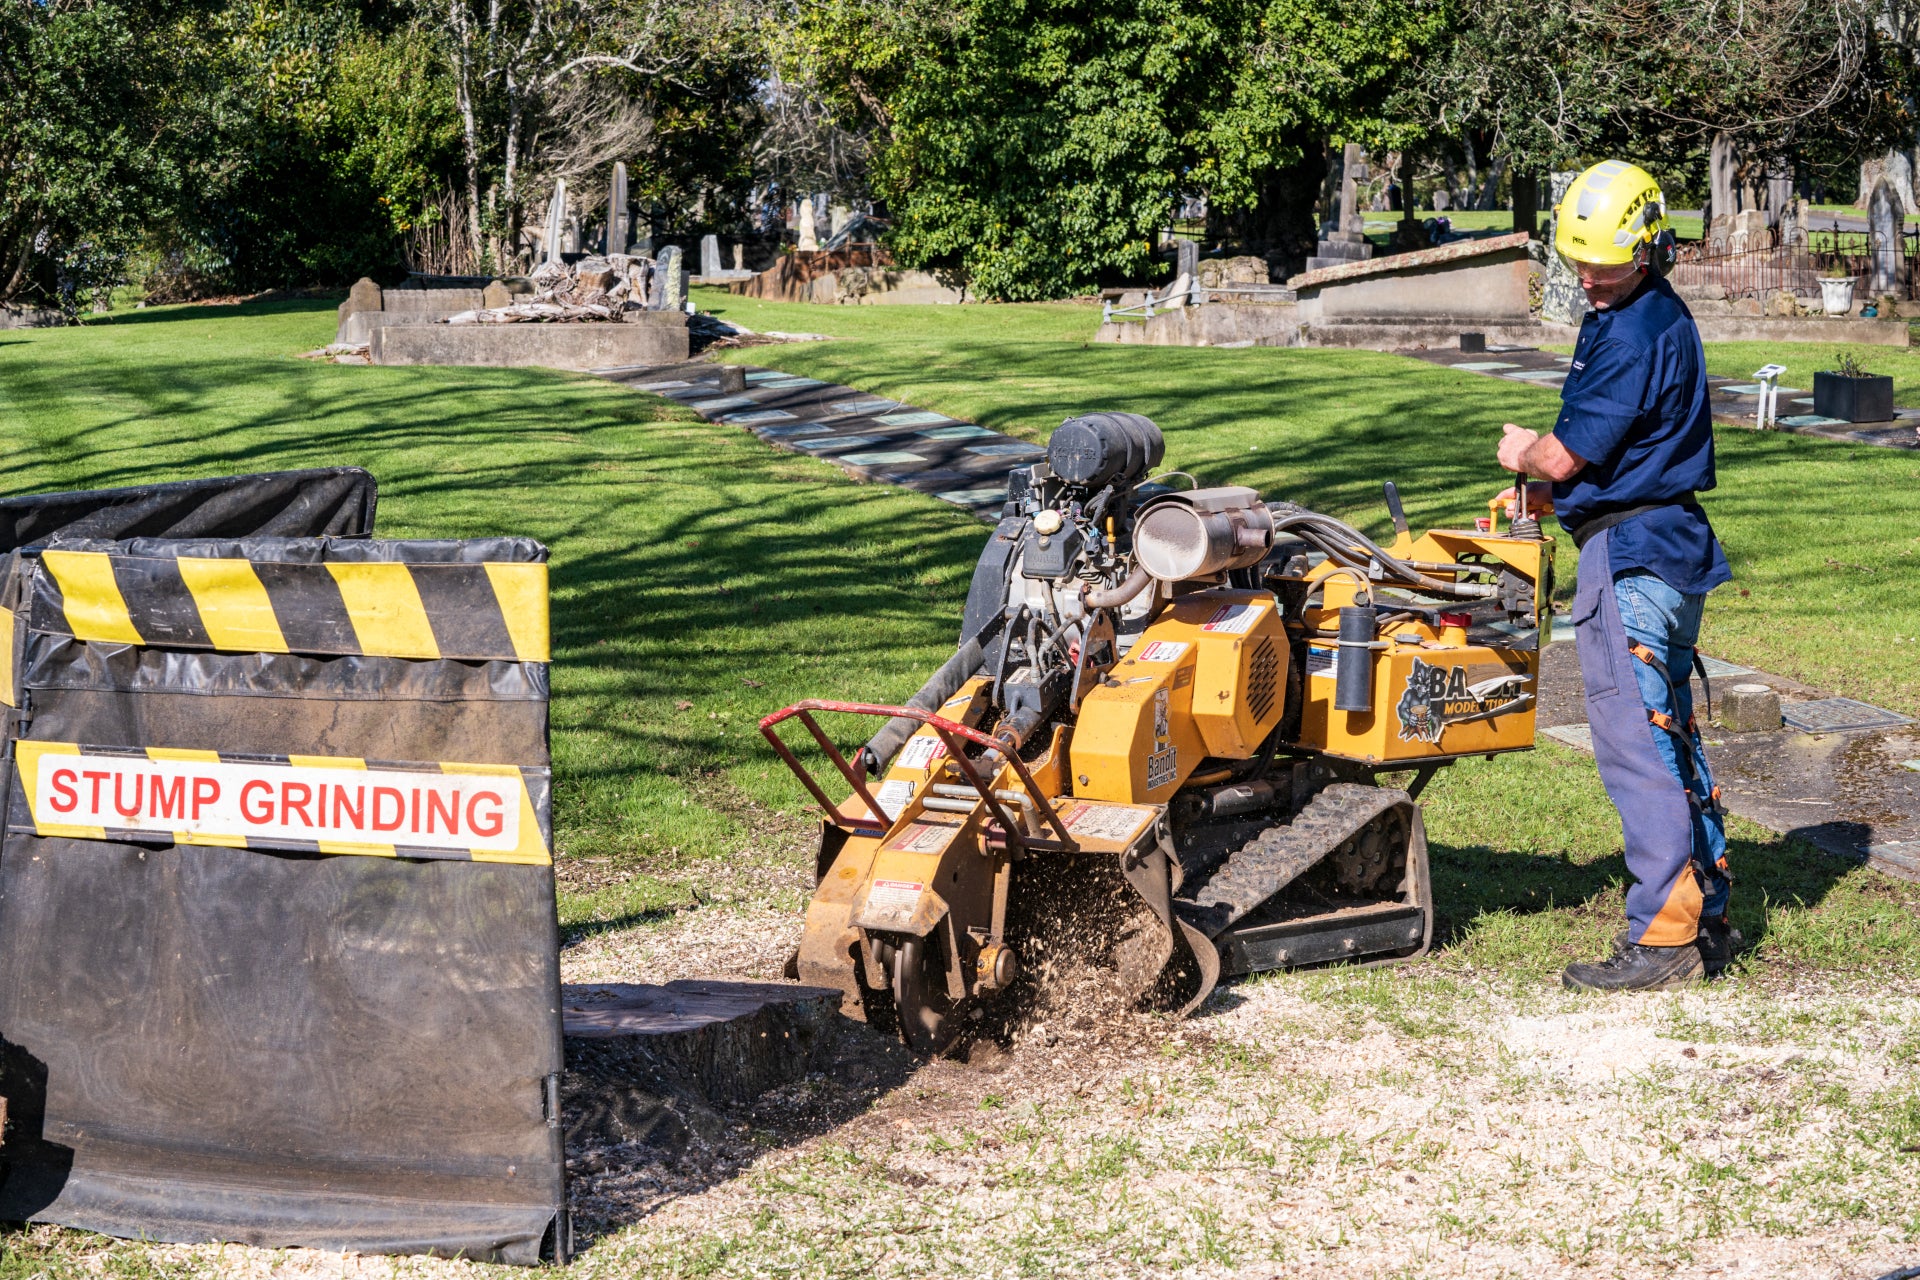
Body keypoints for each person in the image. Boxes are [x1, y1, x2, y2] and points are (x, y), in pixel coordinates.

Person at [1495, 159, 1739, 992]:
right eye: (1579, 262)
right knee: (1668, 732)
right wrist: (1547, 493)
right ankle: (1706, 910)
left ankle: (1664, 938)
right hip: (1664, 544)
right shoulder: (1647, 310)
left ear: (1650, 246)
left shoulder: (1632, 330)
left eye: (1604, 262)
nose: (1589, 277)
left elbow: (1564, 452)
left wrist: (1526, 452)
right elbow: (1626, 454)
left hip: (1632, 560)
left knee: (1637, 747)